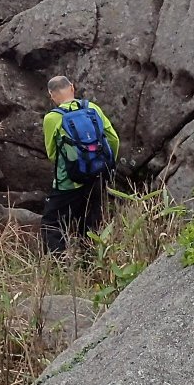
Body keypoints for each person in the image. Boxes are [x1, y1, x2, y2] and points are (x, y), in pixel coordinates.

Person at [41, 76, 119, 255]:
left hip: (68, 182)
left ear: (51, 95)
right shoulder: (92, 108)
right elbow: (113, 139)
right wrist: (105, 166)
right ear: (72, 87)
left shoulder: (52, 118)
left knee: (51, 224)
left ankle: (60, 264)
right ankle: (91, 262)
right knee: (90, 225)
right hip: (96, 177)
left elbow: (52, 154)